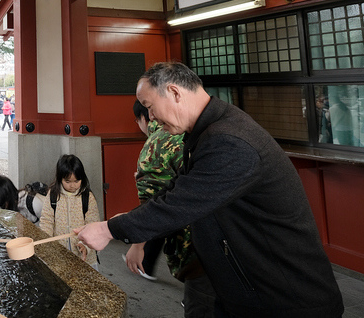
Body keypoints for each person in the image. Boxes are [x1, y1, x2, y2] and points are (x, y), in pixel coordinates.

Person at [75, 62, 344, 318]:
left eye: (150, 106)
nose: (151, 117)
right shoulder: (206, 132)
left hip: (285, 295)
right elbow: (173, 192)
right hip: (246, 285)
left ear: (174, 92)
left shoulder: (229, 141)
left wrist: (108, 230)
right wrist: (124, 221)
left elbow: (180, 204)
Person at [128, 100, 215, 316]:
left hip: (196, 244)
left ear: (143, 118)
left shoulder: (156, 143)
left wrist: (138, 245)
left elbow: (152, 203)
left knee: (202, 303)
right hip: (225, 237)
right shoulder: (194, 130)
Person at [40, 154, 100, 268]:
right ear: (60, 179)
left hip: (84, 258)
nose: (72, 185)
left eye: (76, 181)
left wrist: (85, 246)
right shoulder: (53, 194)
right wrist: (47, 243)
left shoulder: (87, 197)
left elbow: (93, 225)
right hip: (59, 255)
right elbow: (46, 221)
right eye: (68, 181)